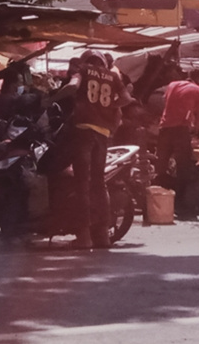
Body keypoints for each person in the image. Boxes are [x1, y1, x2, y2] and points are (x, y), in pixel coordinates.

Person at [64, 50, 132, 249]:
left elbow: (72, 86)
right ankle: (102, 236)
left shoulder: (82, 69)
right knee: (99, 184)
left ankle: (84, 237)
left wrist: (52, 98)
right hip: (103, 134)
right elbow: (127, 99)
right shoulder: (113, 76)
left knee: (82, 184)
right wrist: (110, 105)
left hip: (83, 131)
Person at [158, 68, 199, 219]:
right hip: (180, 131)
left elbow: (167, 103)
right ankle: (180, 202)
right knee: (183, 167)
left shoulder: (172, 85)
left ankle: (157, 198)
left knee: (161, 165)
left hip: (164, 128)